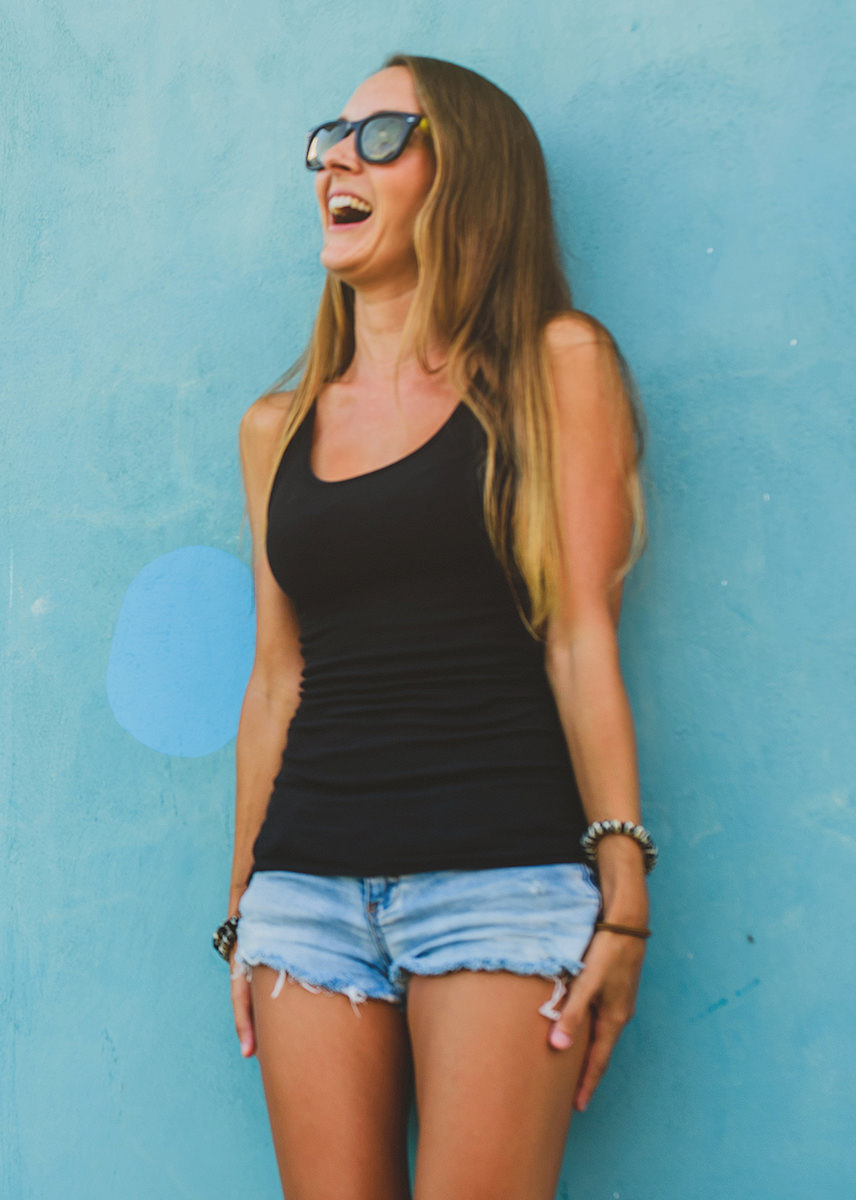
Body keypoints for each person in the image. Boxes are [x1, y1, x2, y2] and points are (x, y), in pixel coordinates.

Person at [220, 55, 654, 1199]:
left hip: (500, 876)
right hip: (303, 898)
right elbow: (275, 683)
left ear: (467, 175)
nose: (334, 163)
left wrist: (627, 893)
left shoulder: (557, 367)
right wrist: (240, 913)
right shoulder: (277, 426)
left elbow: (579, 637)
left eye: (379, 137)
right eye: (330, 138)